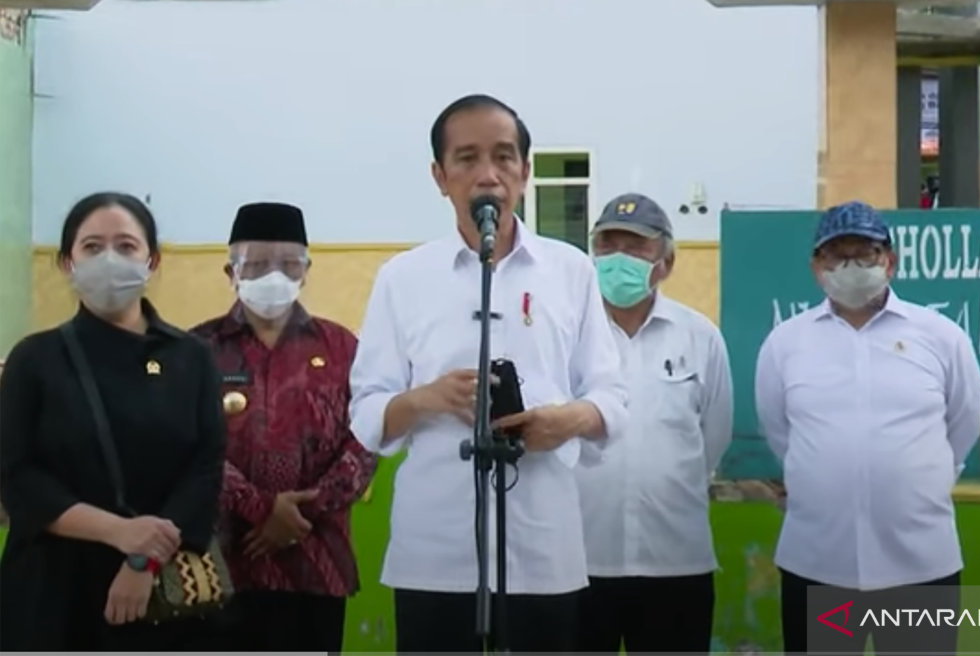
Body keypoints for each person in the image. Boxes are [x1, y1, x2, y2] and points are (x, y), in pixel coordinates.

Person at [348, 94, 629, 653]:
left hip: (543, 547)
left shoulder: (569, 270)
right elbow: (364, 412)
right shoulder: (403, 277)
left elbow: (612, 396)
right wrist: (424, 398)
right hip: (435, 551)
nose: (488, 174)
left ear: (525, 172)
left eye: (504, 157)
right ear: (440, 175)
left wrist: (567, 420)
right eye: (467, 158)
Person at [754, 200, 980, 656]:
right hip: (818, 562)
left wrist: (924, 477)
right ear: (817, 267)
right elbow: (779, 431)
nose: (851, 266)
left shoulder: (940, 336)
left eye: (865, 253)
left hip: (920, 563)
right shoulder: (786, 343)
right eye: (837, 255)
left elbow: (965, 421)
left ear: (890, 262)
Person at [0, 192, 226, 650]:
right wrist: (121, 532)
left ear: (152, 261)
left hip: (164, 592)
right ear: (67, 263)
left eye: (125, 246)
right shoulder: (35, 359)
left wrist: (143, 559)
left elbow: (205, 469)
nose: (109, 259)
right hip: (52, 588)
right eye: (92, 247)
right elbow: (17, 477)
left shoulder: (192, 358)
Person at [190, 201, 376, 652]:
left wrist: (300, 514)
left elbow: (367, 437)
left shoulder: (342, 348)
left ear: (306, 270)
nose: (273, 274)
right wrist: (261, 509)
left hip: (315, 564)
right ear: (230, 271)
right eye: (256, 264)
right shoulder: (195, 350)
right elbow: (190, 444)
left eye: (288, 263)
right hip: (222, 566)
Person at [575, 193, 733, 654]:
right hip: (578, 564)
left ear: (666, 261)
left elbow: (714, 438)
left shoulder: (699, 337)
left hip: (675, 565)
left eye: (636, 246)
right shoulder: (567, 336)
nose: (618, 258)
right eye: (607, 245)